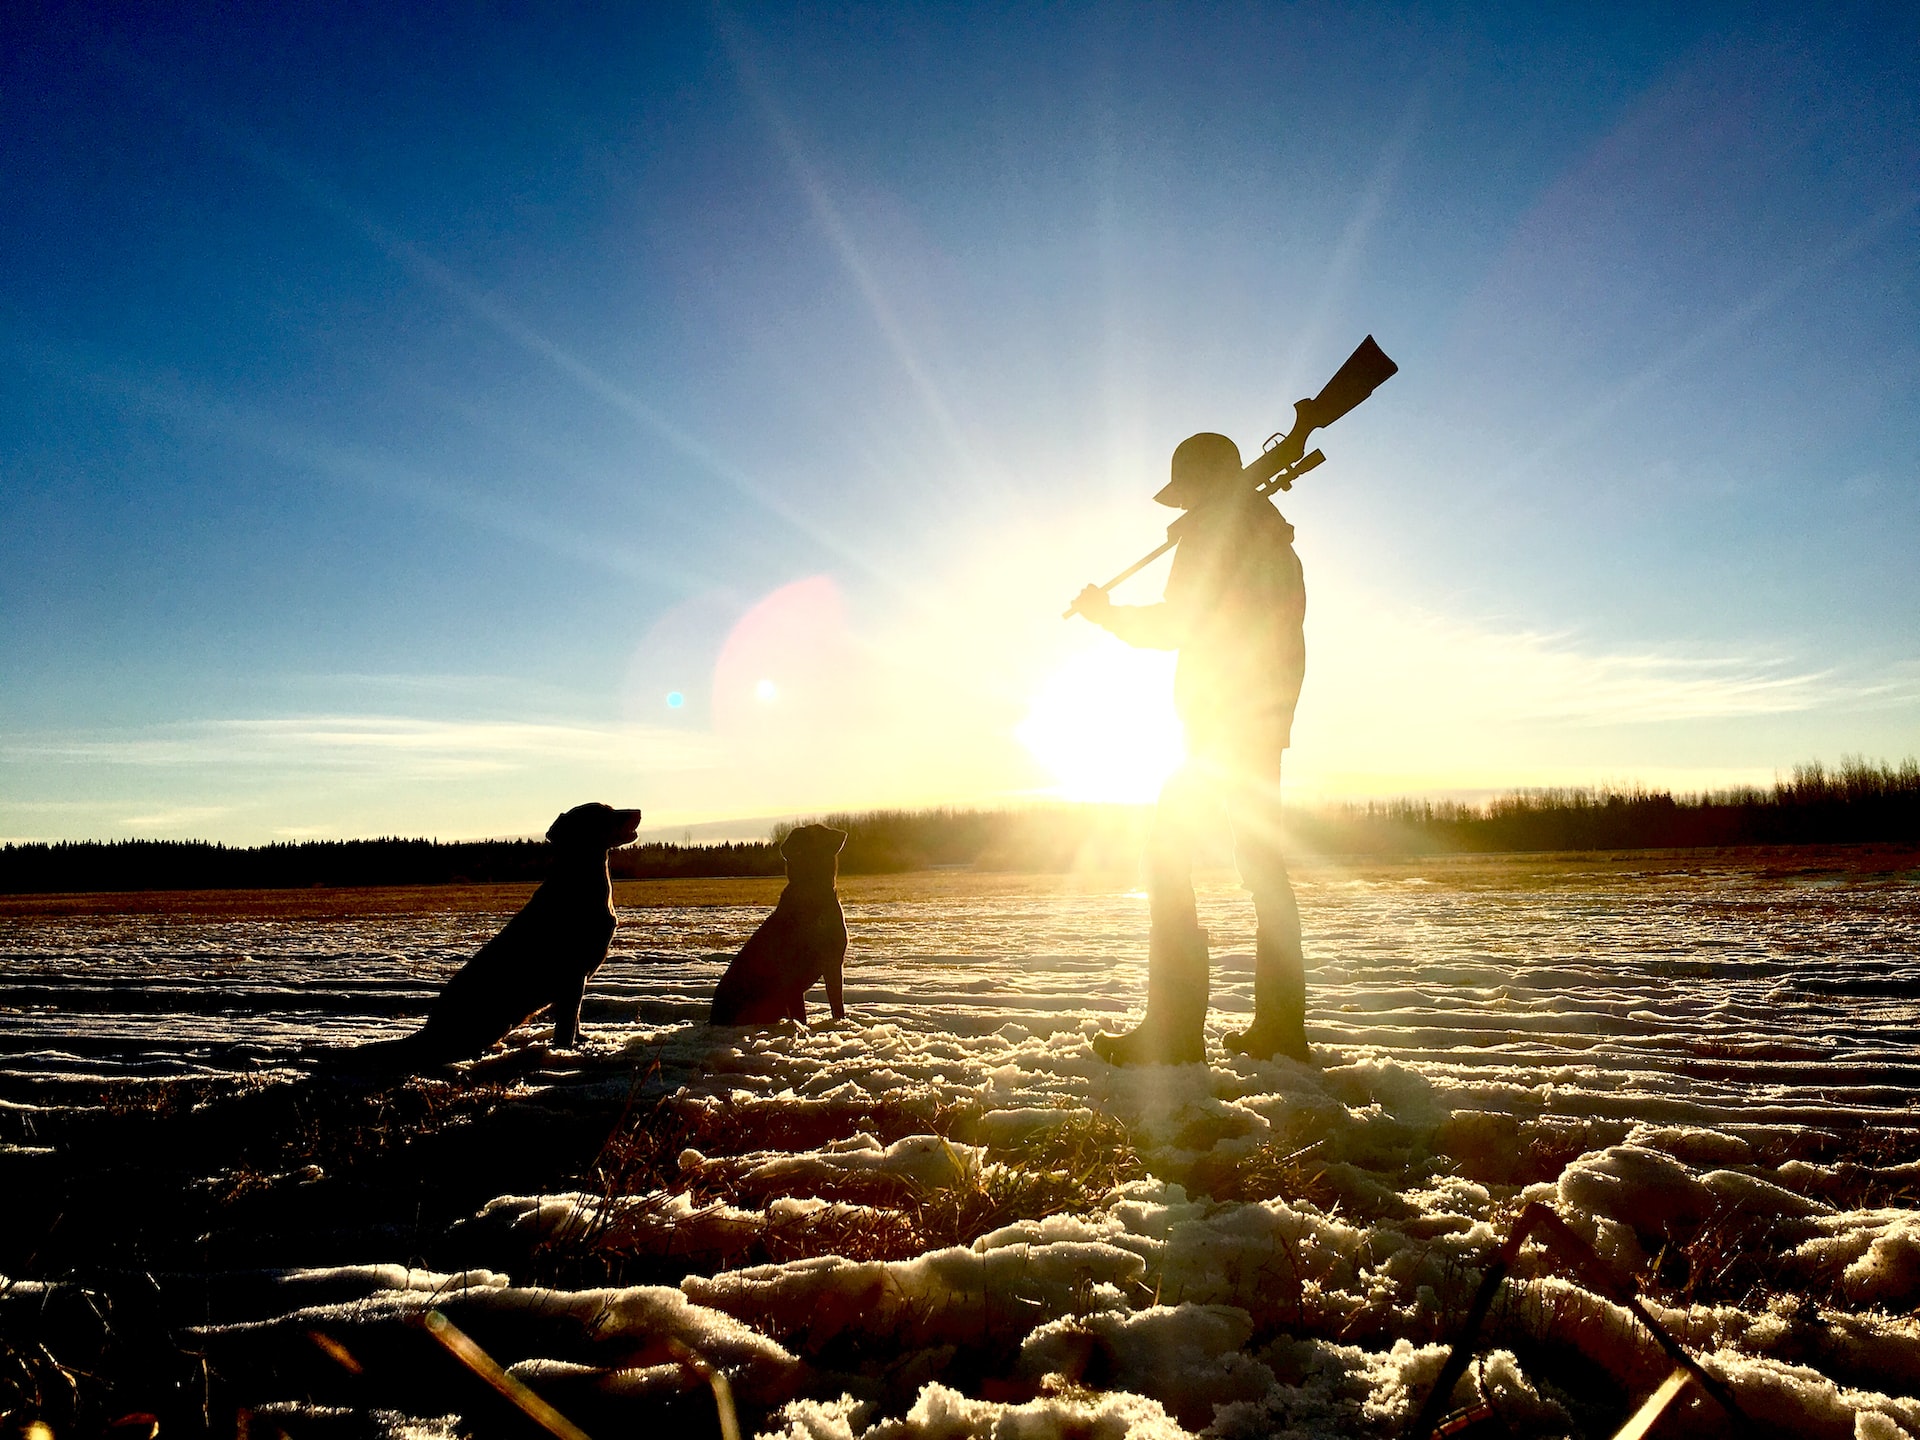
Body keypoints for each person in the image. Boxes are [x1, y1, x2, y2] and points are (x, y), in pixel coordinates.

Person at [1071, 431, 1312, 1066]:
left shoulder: (1215, 536)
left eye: (1186, 496)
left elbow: (1179, 624)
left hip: (1215, 729)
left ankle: (1174, 1032)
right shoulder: (1266, 534)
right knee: (1264, 871)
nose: (1180, 510)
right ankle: (1282, 1030)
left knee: (1165, 858)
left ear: (1202, 485)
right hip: (1261, 724)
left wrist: (1108, 613)